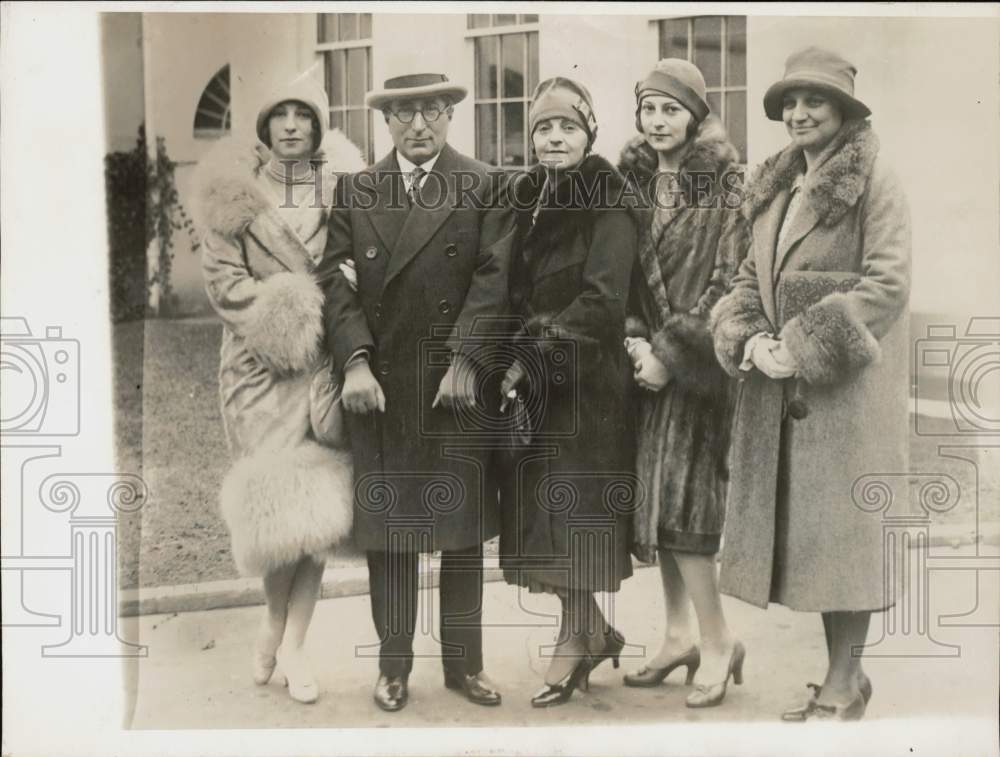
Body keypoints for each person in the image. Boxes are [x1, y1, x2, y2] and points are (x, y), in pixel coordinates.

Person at [710, 47, 911, 721]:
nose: (798, 113)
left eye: (814, 101)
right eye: (789, 103)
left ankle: (840, 681)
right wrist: (751, 338)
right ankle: (845, 677)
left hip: (845, 398)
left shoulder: (875, 177)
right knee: (816, 544)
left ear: (844, 111)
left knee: (844, 539)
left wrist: (799, 346)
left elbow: (887, 285)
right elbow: (745, 280)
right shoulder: (773, 184)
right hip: (786, 392)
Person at [315, 73, 515, 712]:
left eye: (432, 110)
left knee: (460, 531)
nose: (419, 125)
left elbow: (495, 279)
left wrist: (465, 360)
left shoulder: (484, 184)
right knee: (393, 533)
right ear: (387, 122)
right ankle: (393, 664)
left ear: (451, 113)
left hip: (456, 384)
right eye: (405, 114)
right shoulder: (356, 190)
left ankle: (465, 665)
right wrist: (355, 364)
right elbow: (336, 284)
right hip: (383, 386)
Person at [195, 74, 366, 704]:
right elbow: (223, 283)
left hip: (319, 364)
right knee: (275, 500)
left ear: (320, 127)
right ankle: (273, 622)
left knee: (315, 504)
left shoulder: (344, 188)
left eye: (304, 115)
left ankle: (293, 643)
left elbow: (357, 264)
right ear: (264, 126)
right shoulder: (232, 197)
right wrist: (286, 315)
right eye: (280, 114)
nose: (292, 124)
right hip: (257, 366)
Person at [497, 77, 639, 708]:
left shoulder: (608, 197)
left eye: (568, 128)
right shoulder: (526, 196)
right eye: (543, 129)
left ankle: (573, 643)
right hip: (533, 385)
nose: (555, 138)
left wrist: (531, 359)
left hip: (586, 384)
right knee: (543, 521)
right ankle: (594, 631)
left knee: (572, 517)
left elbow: (604, 300)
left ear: (589, 135)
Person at [616, 59, 750, 708]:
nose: (658, 120)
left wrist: (672, 351)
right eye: (649, 109)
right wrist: (637, 339)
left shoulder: (727, 185)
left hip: (700, 372)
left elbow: (733, 283)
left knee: (692, 514)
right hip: (647, 367)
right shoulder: (632, 182)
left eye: (671, 109)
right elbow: (626, 277)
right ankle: (677, 635)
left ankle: (719, 640)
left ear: (695, 116)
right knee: (658, 512)